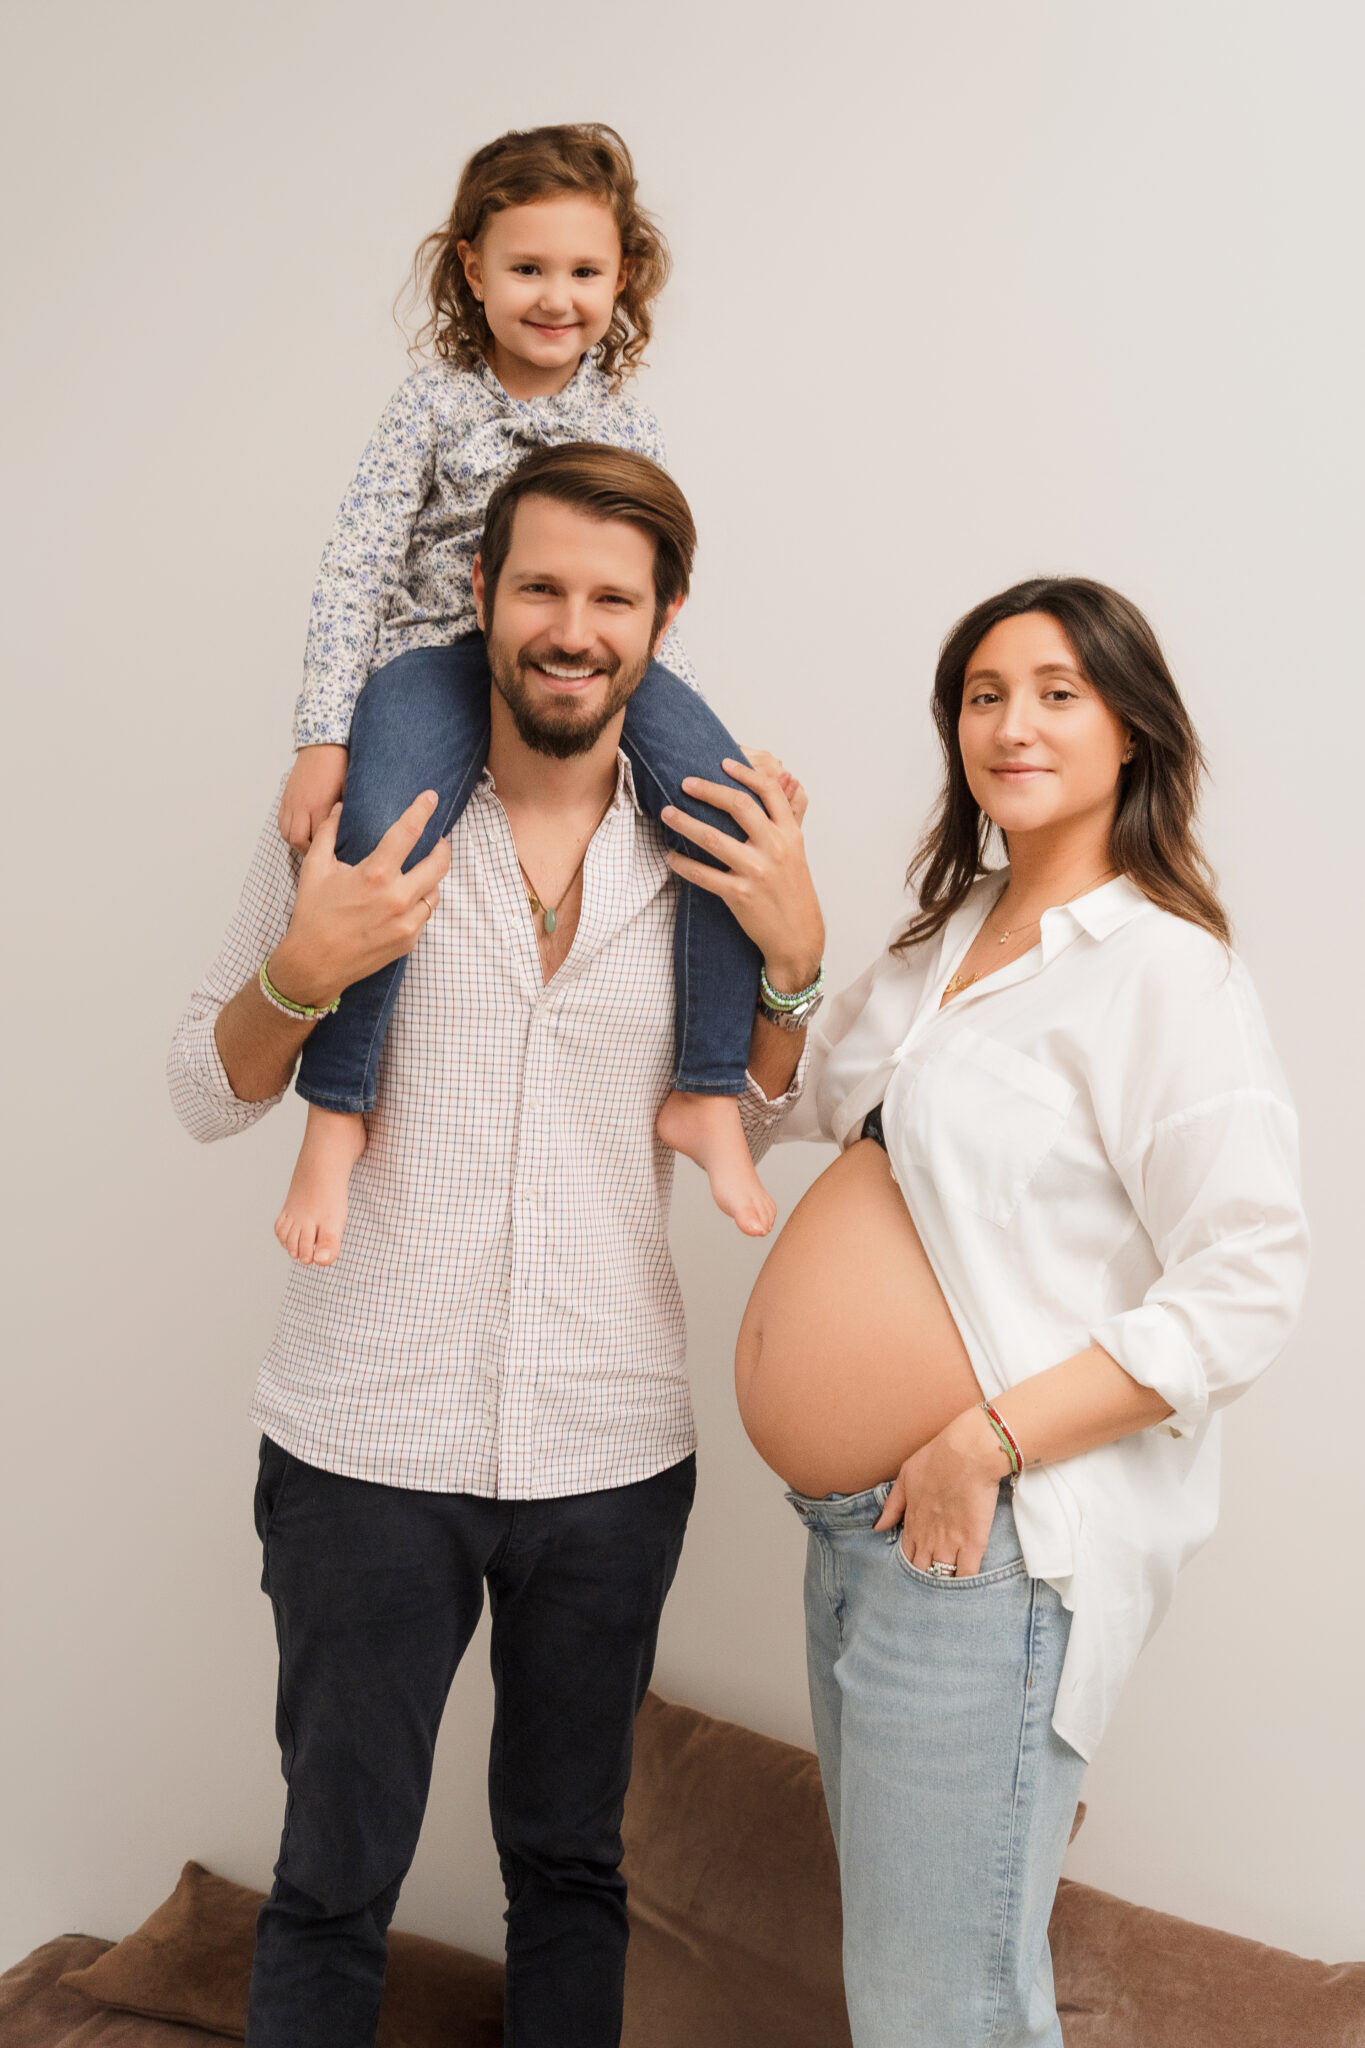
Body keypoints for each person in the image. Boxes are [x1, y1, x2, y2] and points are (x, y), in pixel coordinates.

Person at [166, 442, 822, 2048]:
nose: (571, 625)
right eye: (539, 586)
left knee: (571, 1871)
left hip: (609, 1450)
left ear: (662, 620)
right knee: (332, 1876)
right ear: (481, 594)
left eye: (612, 595)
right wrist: (307, 968)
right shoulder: (358, 813)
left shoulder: (713, 845)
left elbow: (769, 1106)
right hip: (363, 1445)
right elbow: (201, 1086)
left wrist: (796, 964)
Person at [719, 579, 1308, 2048]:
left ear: (1131, 730)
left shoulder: (1163, 972)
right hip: (861, 1540)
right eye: (983, 693)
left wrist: (980, 1442)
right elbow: (767, 1107)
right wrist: (789, 945)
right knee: (932, 1997)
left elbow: (1247, 1281)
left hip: (981, 1544)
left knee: (940, 2013)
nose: (1011, 721)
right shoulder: (945, 943)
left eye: (1055, 691)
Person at [274, 121, 779, 1262]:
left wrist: (690, 737)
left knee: (726, 810)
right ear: (472, 268)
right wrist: (320, 734)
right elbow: (354, 562)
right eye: (528, 268)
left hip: (581, 664)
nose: (558, 297)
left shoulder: (625, 420)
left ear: (624, 279)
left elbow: (638, 593)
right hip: (436, 656)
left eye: (586, 272)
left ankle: (704, 1089)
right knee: (380, 834)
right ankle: (339, 1107)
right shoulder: (429, 406)